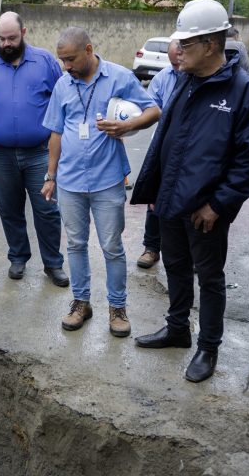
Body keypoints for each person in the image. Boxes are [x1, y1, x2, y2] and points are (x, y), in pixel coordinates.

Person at [131, 0, 249, 383]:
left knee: (209, 278)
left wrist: (217, 205)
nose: (177, 52)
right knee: (175, 268)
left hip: (206, 212)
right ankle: (177, 330)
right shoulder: (185, 82)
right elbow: (169, 143)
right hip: (171, 203)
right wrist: (158, 191)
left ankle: (208, 348)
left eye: (185, 45)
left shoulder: (244, 93)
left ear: (211, 44)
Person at [41, 27, 160, 338]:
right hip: (69, 181)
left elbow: (154, 110)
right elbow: (55, 132)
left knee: (111, 246)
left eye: (70, 59)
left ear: (89, 50)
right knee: (76, 245)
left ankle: (117, 307)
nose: (66, 66)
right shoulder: (62, 84)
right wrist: (50, 176)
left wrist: (126, 125)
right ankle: (81, 303)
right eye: (62, 60)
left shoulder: (119, 77)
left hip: (108, 180)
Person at [0, 11, 69, 287]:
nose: (6, 44)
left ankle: (53, 264)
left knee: (47, 210)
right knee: (9, 208)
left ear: (24, 33)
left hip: (39, 152)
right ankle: (18, 257)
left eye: (11, 37)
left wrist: (57, 141)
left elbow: (62, 100)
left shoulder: (46, 62)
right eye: (1, 39)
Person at [136, 40, 183, 269]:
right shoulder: (163, 78)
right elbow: (150, 109)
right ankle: (151, 248)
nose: (177, 68)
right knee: (155, 197)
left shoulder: (200, 77)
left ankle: (189, 254)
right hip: (164, 145)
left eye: (179, 62)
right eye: (173, 63)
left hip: (190, 151)